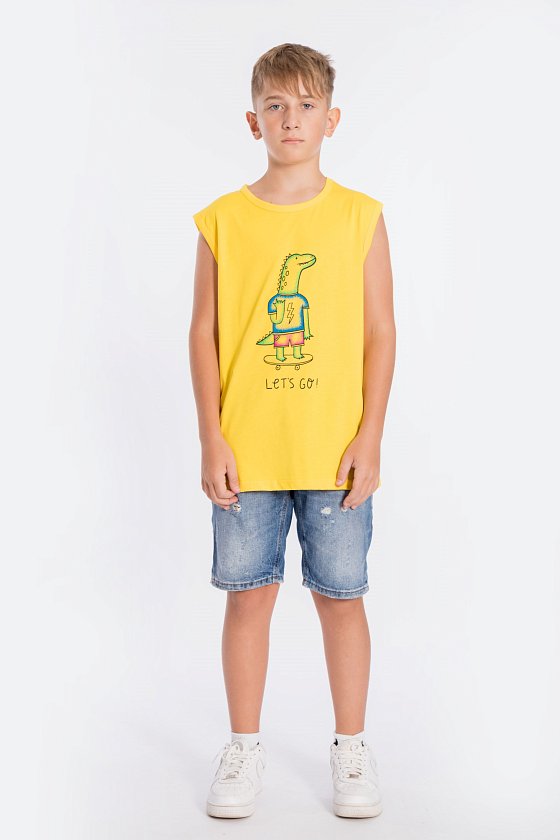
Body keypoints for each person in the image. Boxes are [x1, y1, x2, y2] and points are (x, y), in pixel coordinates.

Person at [189, 42, 395, 820]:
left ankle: (352, 747)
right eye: (275, 105)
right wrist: (212, 436)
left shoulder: (360, 217)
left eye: (307, 105)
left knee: (342, 598)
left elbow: (381, 331)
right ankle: (243, 747)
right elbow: (203, 333)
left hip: (335, 453)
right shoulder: (222, 221)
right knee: (248, 599)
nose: (291, 119)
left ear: (331, 119)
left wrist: (370, 436)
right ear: (253, 121)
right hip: (248, 453)